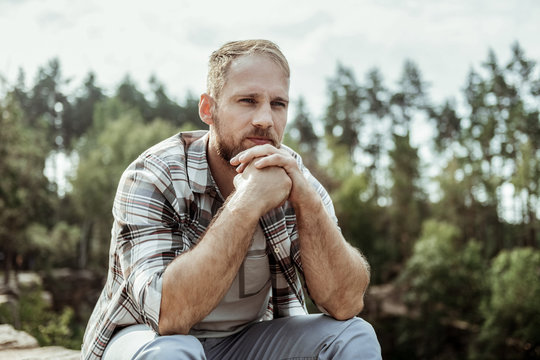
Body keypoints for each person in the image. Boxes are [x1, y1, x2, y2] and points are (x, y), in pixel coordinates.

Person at [81, 39, 381, 360]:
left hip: (244, 343)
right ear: (208, 109)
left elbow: (346, 302)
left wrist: (307, 202)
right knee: (172, 352)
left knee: (354, 336)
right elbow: (169, 315)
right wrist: (248, 200)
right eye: (248, 100)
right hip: (146, 337)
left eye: (278, 104)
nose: (265, 119)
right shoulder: (153, 176)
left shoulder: (293, 177)